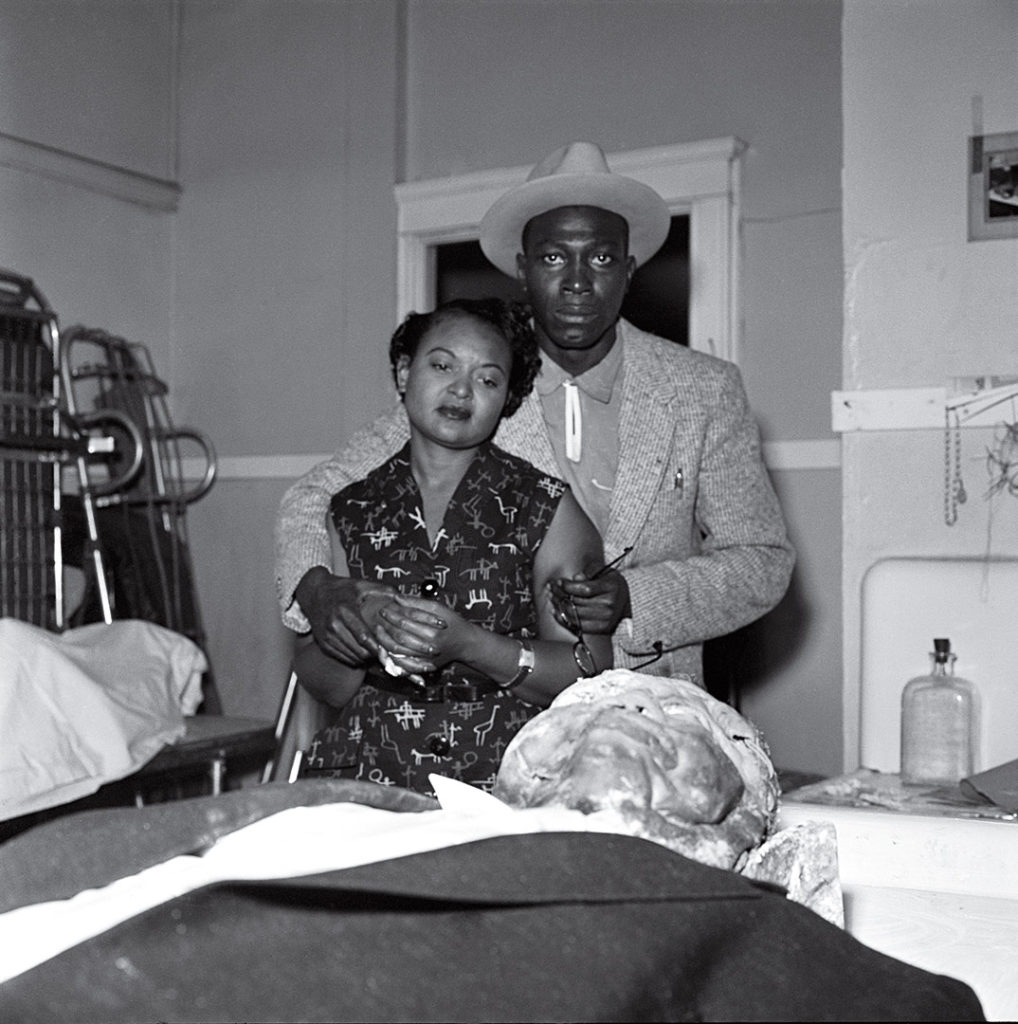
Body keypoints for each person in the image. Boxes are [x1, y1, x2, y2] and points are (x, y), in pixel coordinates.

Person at [276, 140, 794, 689]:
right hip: (505, 708)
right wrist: (316, 588)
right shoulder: (477, 380)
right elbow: (311, 498)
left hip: (658, 701)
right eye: (552, 258)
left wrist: (634, 598)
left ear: (629, 270)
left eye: (601, 258)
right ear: (522, 270)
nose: (577, 281)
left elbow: (761, 560)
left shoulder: (703, 390)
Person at [294, 297, 612, 795]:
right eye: (442, 366)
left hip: (505, 782)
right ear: (404, 373)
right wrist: (361, 631)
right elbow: (326, 685)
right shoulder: (350, 510)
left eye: (487, 380)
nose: (462, 389)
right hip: (370, 781)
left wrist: (472, 645)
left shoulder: (546, 507)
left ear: (507, 399)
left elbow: (588, 671)